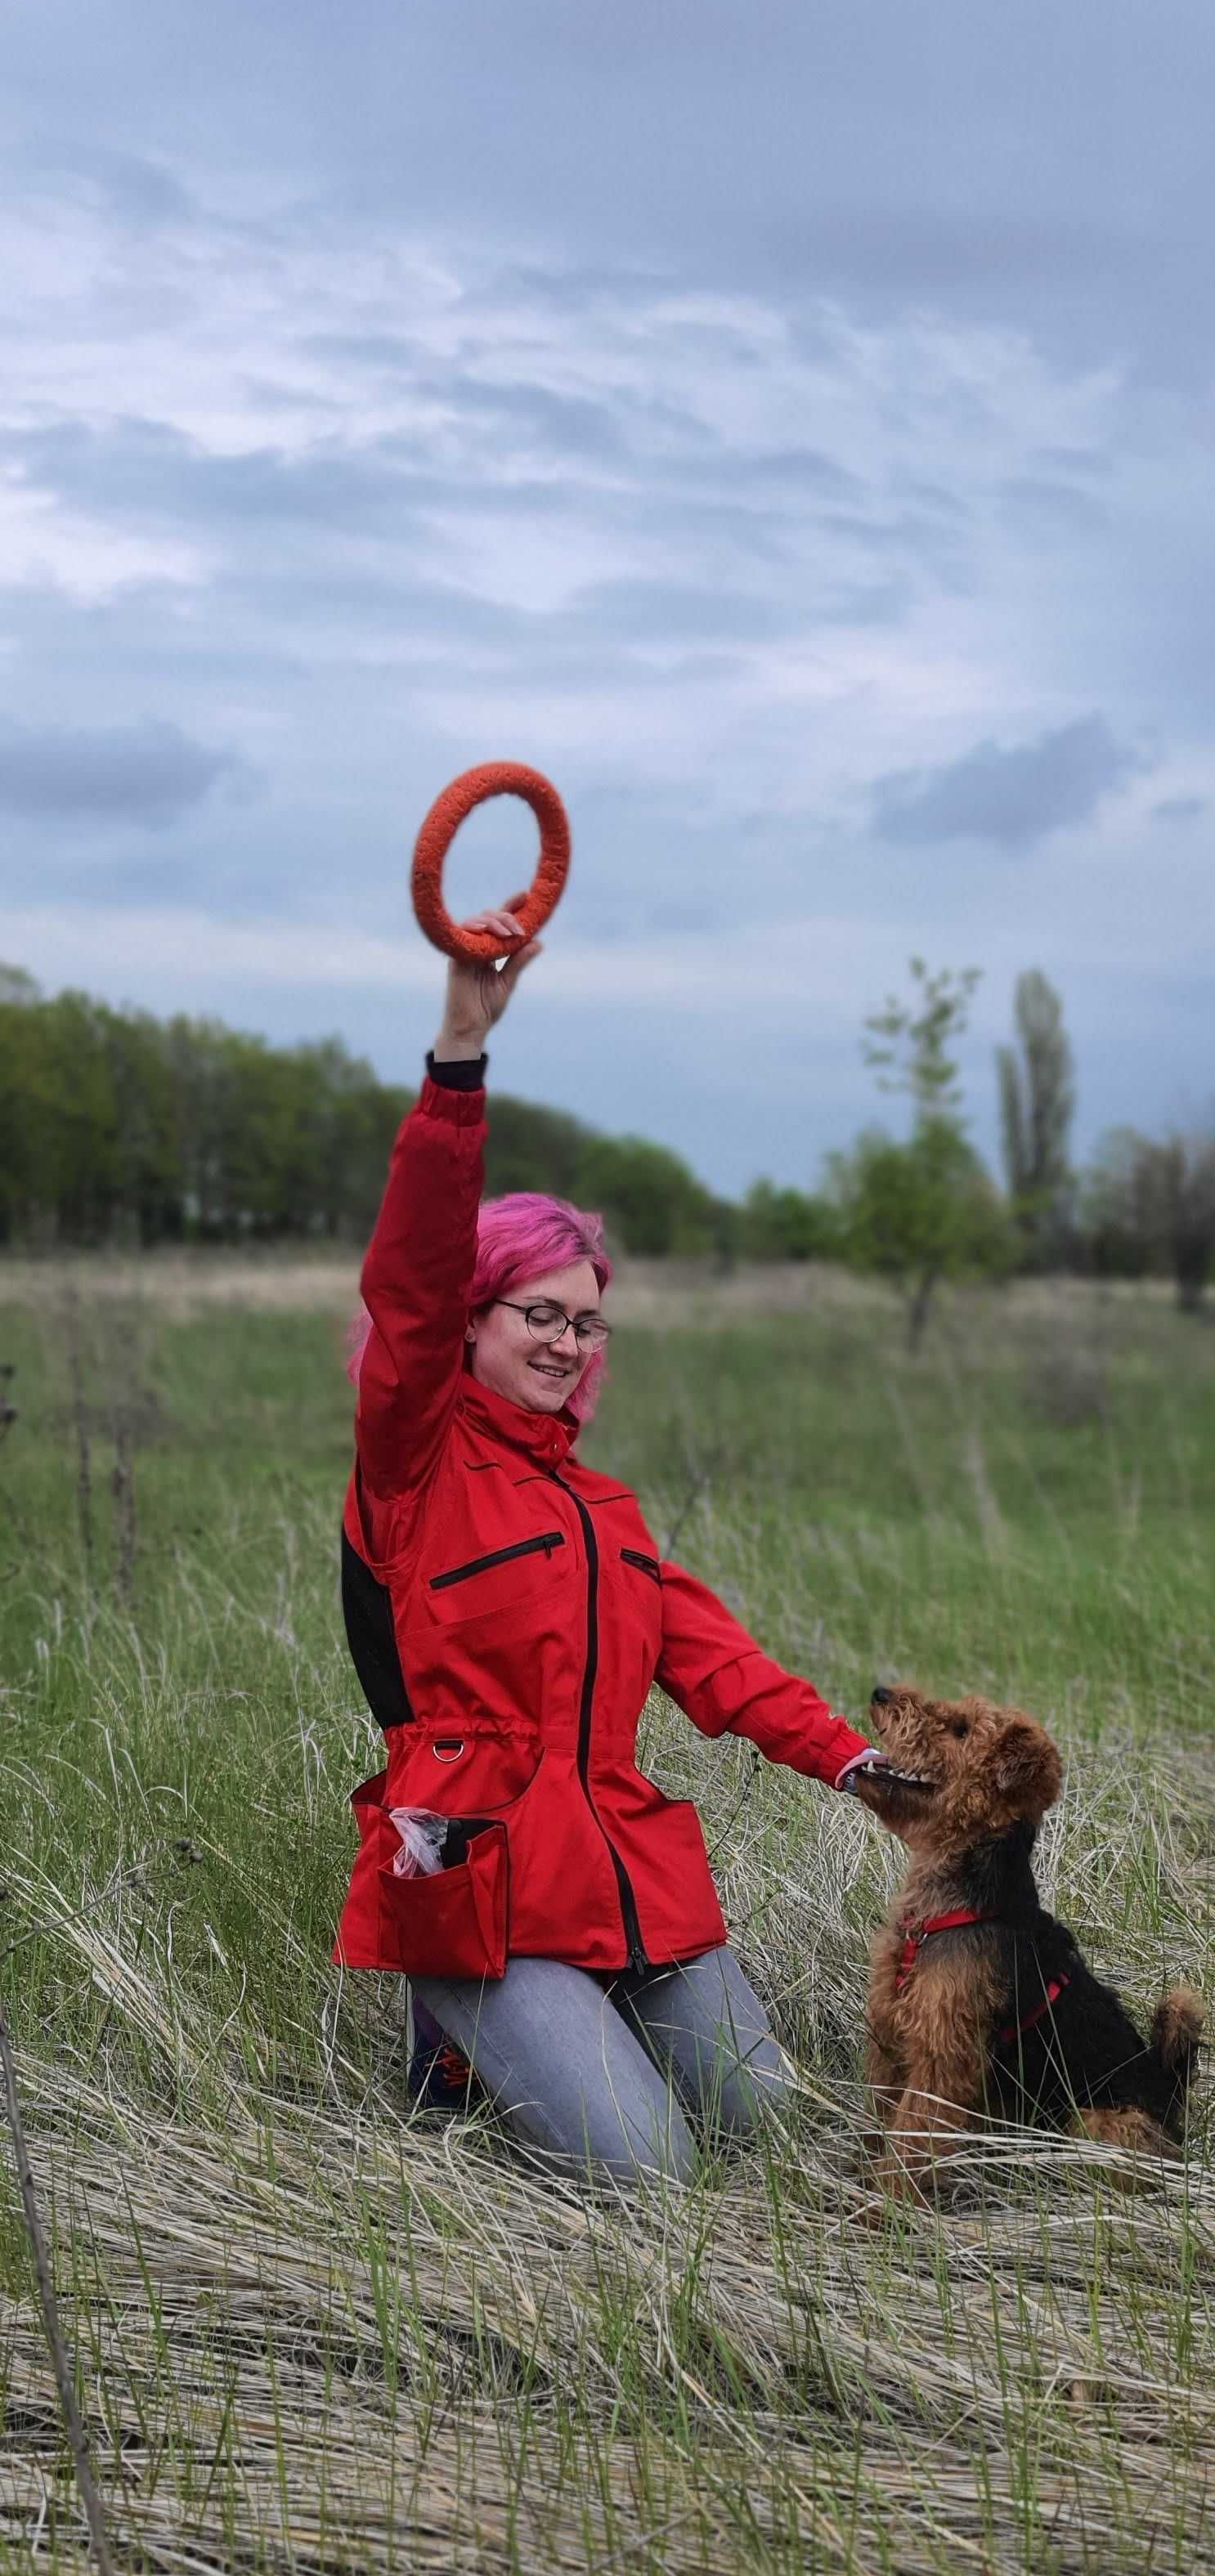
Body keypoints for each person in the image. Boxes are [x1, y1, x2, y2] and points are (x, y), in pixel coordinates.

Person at [334, 902, 880, 2185]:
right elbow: (407, 1273)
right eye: (542, 1313)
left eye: (590, 1323)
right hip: (479, 1901)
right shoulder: (413, 1465)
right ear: (471, 1324)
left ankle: (499, 2071)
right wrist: (461, 1052)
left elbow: (727, 1672)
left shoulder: (605, 1510)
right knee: (657, 2182)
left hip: (624, 1883)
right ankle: (454, 2056)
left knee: (767, 2137)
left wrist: (863, 1769)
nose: (571, 1343)